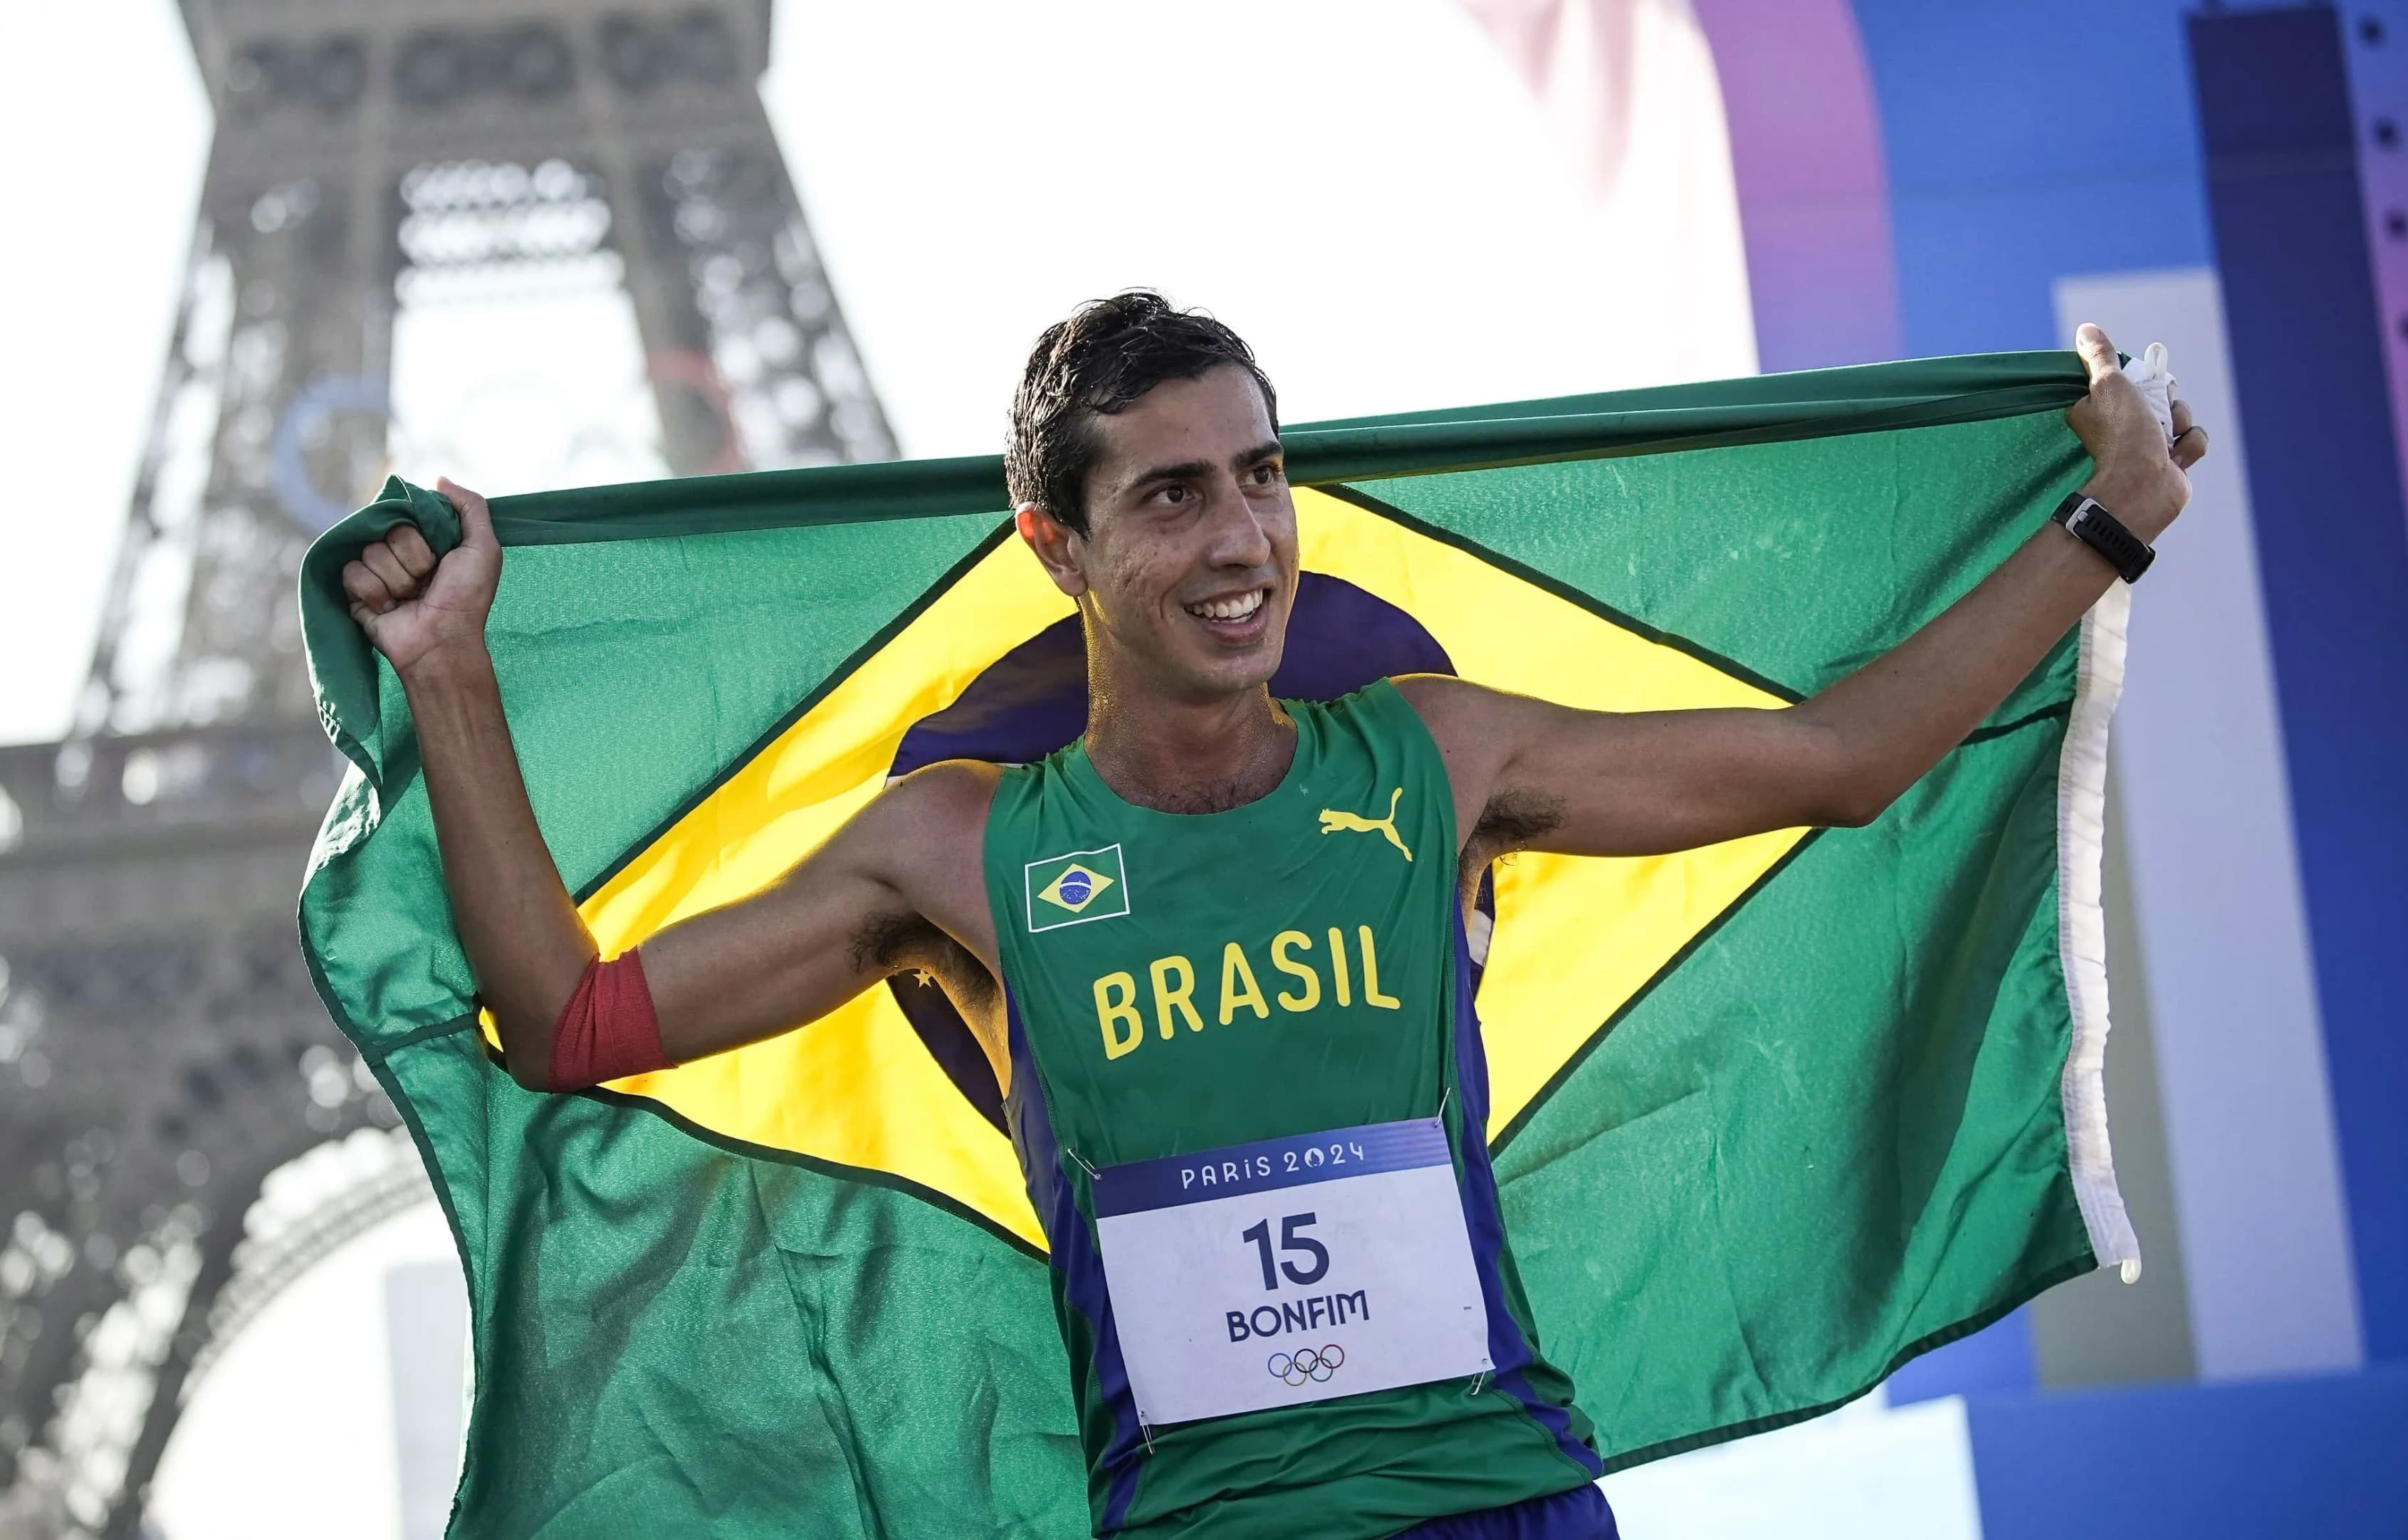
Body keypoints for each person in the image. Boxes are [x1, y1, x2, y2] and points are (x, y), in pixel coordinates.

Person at [340, 293, 2207, 1540]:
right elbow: (567, 1017)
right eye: (1173, 497)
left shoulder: (1431, 758)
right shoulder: (957, 850)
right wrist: (450, 674)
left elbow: (1838, 758)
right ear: (1055, 545)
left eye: (1262, 475)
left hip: (1500, 1492)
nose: (1243, 538)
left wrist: (2109, 523)